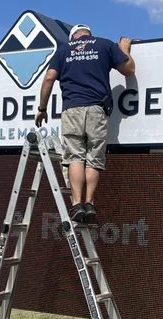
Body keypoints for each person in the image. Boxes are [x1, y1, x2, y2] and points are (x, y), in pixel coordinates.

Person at [35, 24, 136, 224]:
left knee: (75, 157)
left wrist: (42, 108)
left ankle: (76, 204)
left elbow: (48, 78)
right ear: (89, 35)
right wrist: (124, 49)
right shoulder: (105, 45)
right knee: (93, 158)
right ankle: (89, 203)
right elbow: (129, 69)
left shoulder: (64, 50)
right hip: (97, 109)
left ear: (73, 37)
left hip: (72, 109)